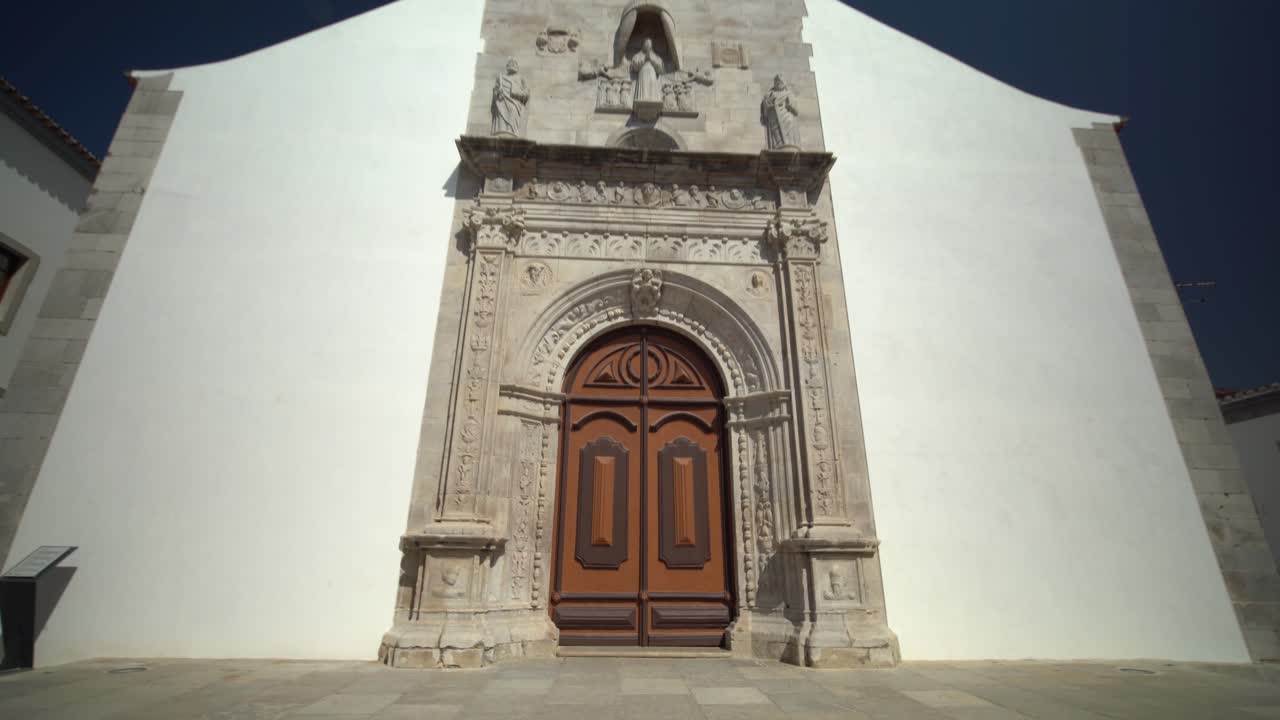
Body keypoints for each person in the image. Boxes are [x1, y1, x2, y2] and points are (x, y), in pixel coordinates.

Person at [491, 58, 530, 136]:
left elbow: (526, 93)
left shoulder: (521, 78)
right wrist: (498, 92)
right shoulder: (500, 77)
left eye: (514, 63)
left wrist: (515, 92)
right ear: (507, 66)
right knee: (501, 118)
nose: (512, 64)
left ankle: (511, 132)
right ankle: (501, 132)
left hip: (514, 103)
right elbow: (495, 90)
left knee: (513, 113)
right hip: (501, 101)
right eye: (510, 63)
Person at [630, 38, 665, 103]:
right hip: (643, 74)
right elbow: (634, 66)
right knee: (644, 89)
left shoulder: (655, 56)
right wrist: (644, 59)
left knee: (652, 88)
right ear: (643, 45)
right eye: (646, 43)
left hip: (652, 74)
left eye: (649, 43)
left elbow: (660, 68)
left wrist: (651, 60)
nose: (648, 45)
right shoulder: (638, 55)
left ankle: (653, 99)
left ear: (651, 45)